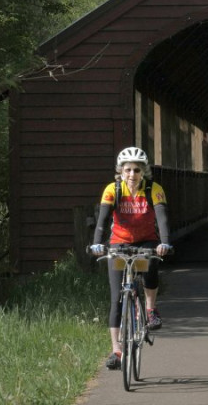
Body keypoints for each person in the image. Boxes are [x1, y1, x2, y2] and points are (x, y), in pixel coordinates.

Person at [90, 146, 172, 370]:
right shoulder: (112, 190)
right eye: (128, 170)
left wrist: (164, 242)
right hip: (119, 241)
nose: (132, 175)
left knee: (152, 265)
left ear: (143, 171)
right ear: (121, 171)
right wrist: (98, 243)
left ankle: (150, 308)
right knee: (116, 297)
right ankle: (116, 349)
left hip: (147, 240)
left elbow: (162, 219)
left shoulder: (154, 189)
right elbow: (103, 220)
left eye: (137, 170)